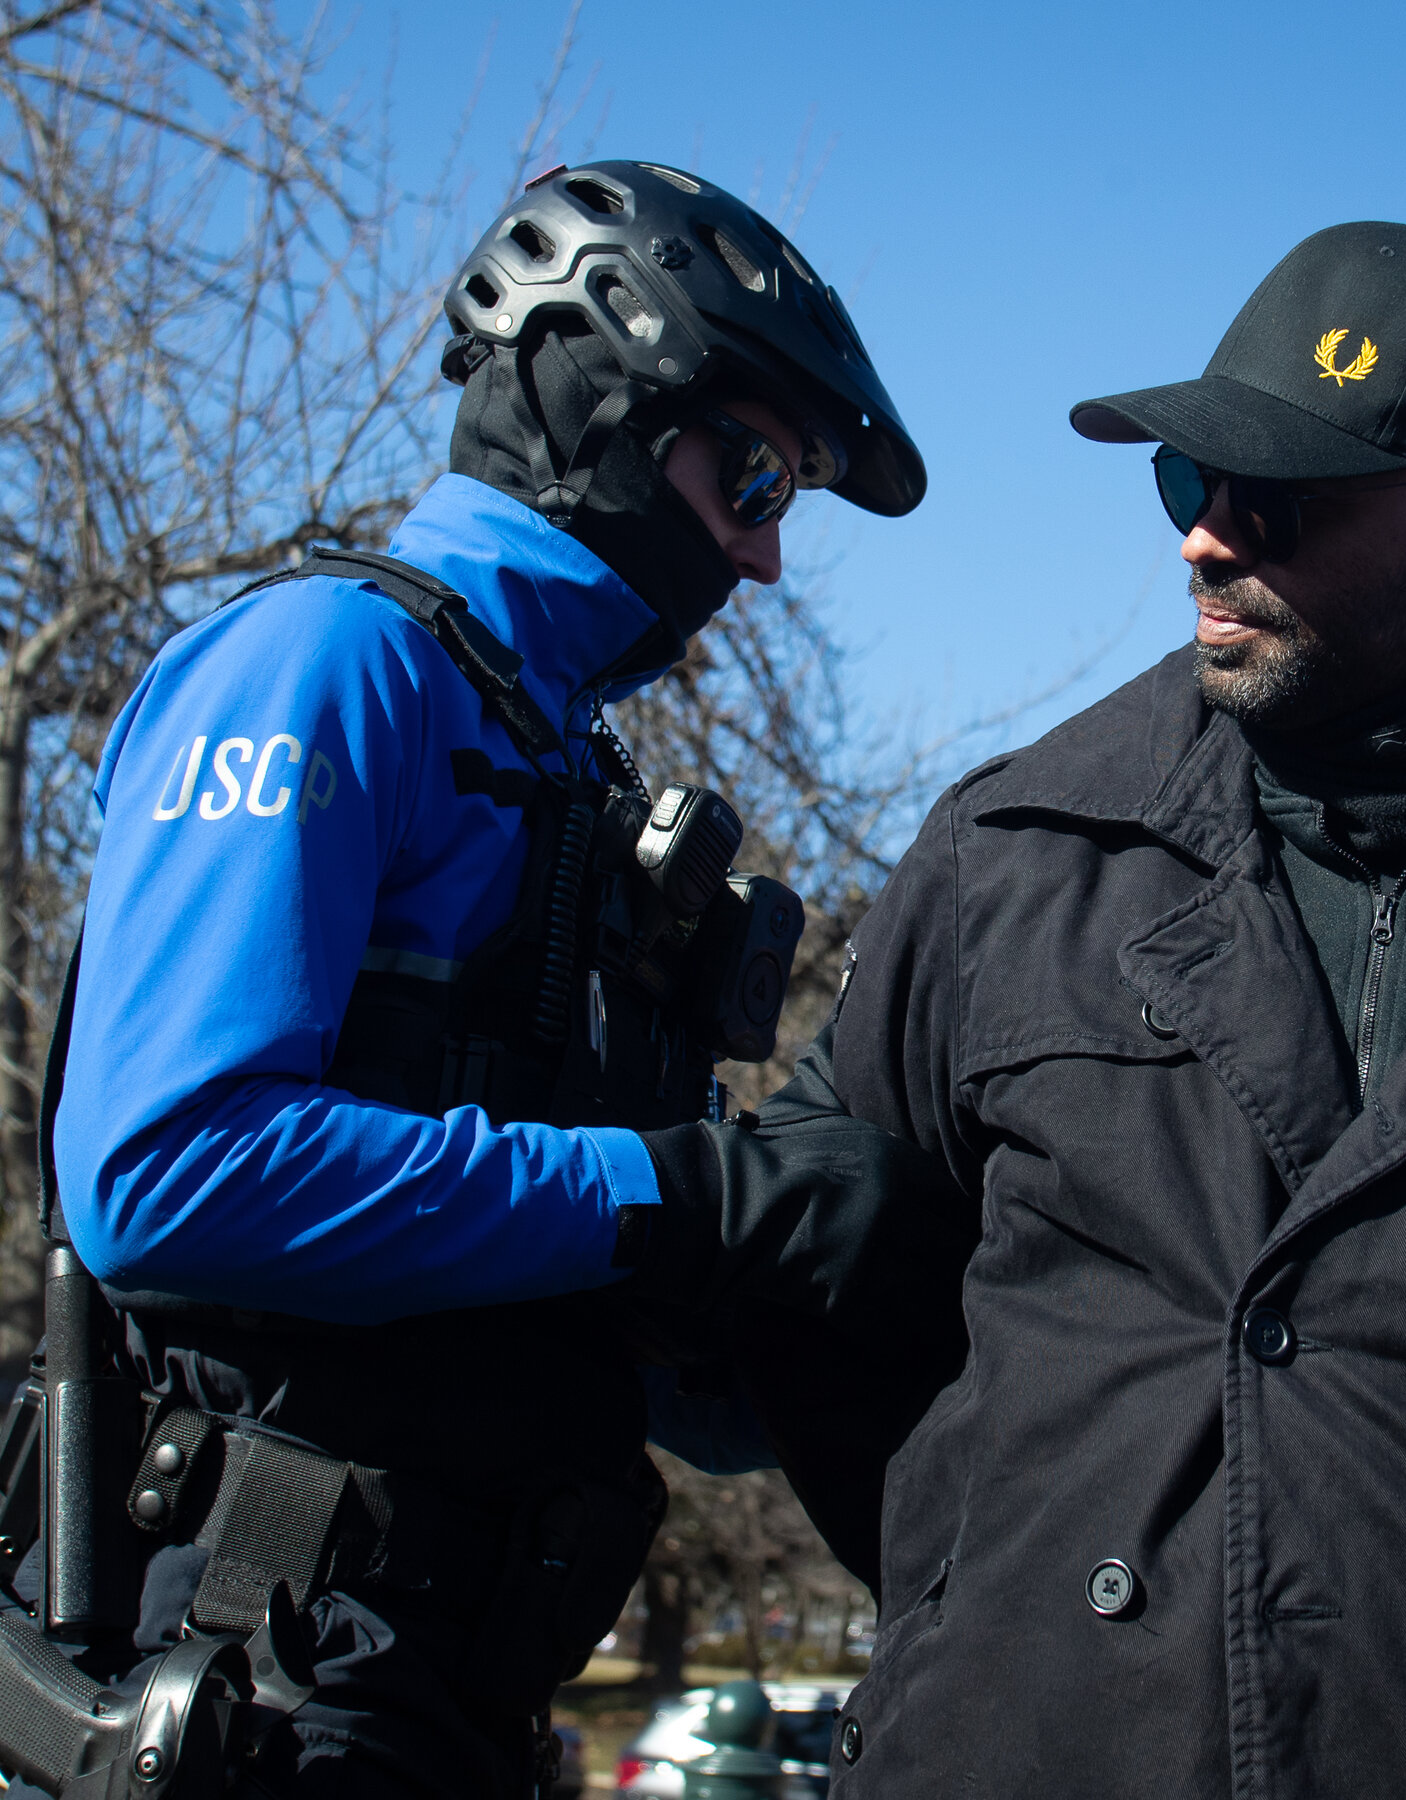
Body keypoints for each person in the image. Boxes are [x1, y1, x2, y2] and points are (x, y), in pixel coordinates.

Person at [647, 223, 1406, 1797]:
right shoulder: (1011, 857)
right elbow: (833, 1303)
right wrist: (993, 1605)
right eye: (1187, 484)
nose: (1202, 540)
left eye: (1277, 500)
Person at [15, 161, 947, 1799]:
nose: (765, 558)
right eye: (751, 475)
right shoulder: (327, 662)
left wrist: (816, 1277)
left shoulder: (566, 772)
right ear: (598, 389)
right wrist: (668, 1200)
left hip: (438, 1691)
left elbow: (605, 1304)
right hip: (237, 1670)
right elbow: (159, 1169)